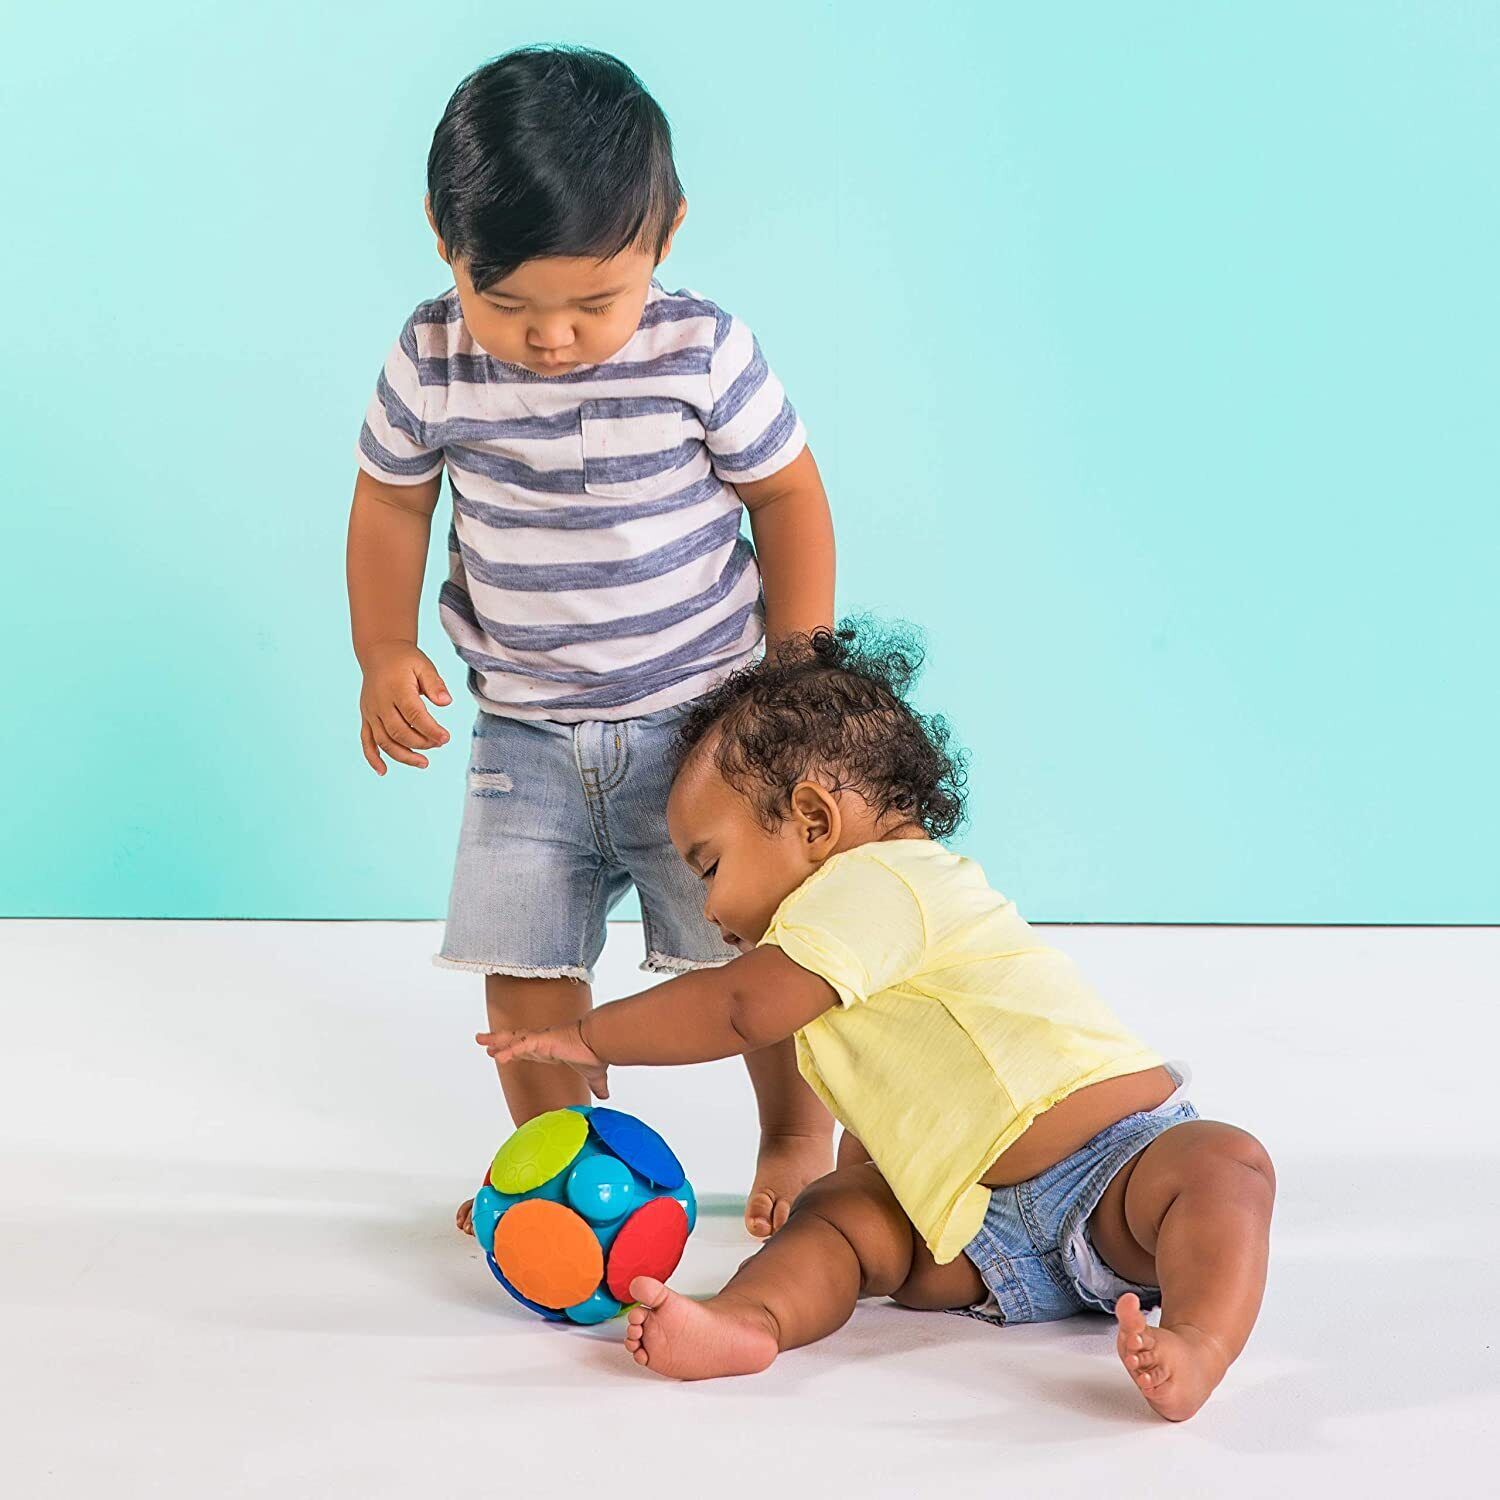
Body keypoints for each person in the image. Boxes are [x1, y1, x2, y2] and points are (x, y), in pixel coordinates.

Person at [478, 624, 1275, 1422]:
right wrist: (857, 1178)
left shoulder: (883, 882)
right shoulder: (834, 961)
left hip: (1112, 1176)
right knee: (839, 1216)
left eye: (710, 866)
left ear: (815, 822)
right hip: (974, 1234)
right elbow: (894, 1098)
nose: (709, 910)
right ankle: (750, 1320)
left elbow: (737, 1007)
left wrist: (590, 1035)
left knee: (1222, 1164)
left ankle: (1200, 1340)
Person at [346, 46, 837, 1239]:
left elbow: (787, 497)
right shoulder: (431, 357)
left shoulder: (702, 350)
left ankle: (796, 1130)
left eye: (590, 304)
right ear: (441, 239)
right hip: (524, 728)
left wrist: (799, 669)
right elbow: (392, 500)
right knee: (522, 962)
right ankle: (557, 1165)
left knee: (751, 957)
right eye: (506, 303)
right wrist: (382, 648)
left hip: (707, 731)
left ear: (664, 237)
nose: (550, 338)